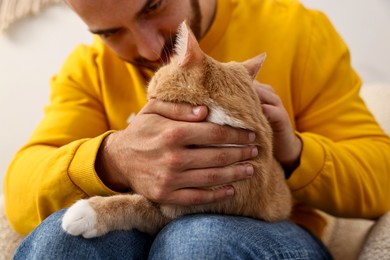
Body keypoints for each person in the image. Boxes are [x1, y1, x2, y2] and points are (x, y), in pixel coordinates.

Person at [5, 0, 390, 258]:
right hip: (141, 223)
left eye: (153, 6)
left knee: (197, 240)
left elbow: (382, 175)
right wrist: (112, 160)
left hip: (268, 228)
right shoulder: (87, 69)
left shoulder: (296, 30)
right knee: (63, 238)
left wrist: (292, 151)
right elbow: (20, 194)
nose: (150, 48)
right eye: (109, 33)